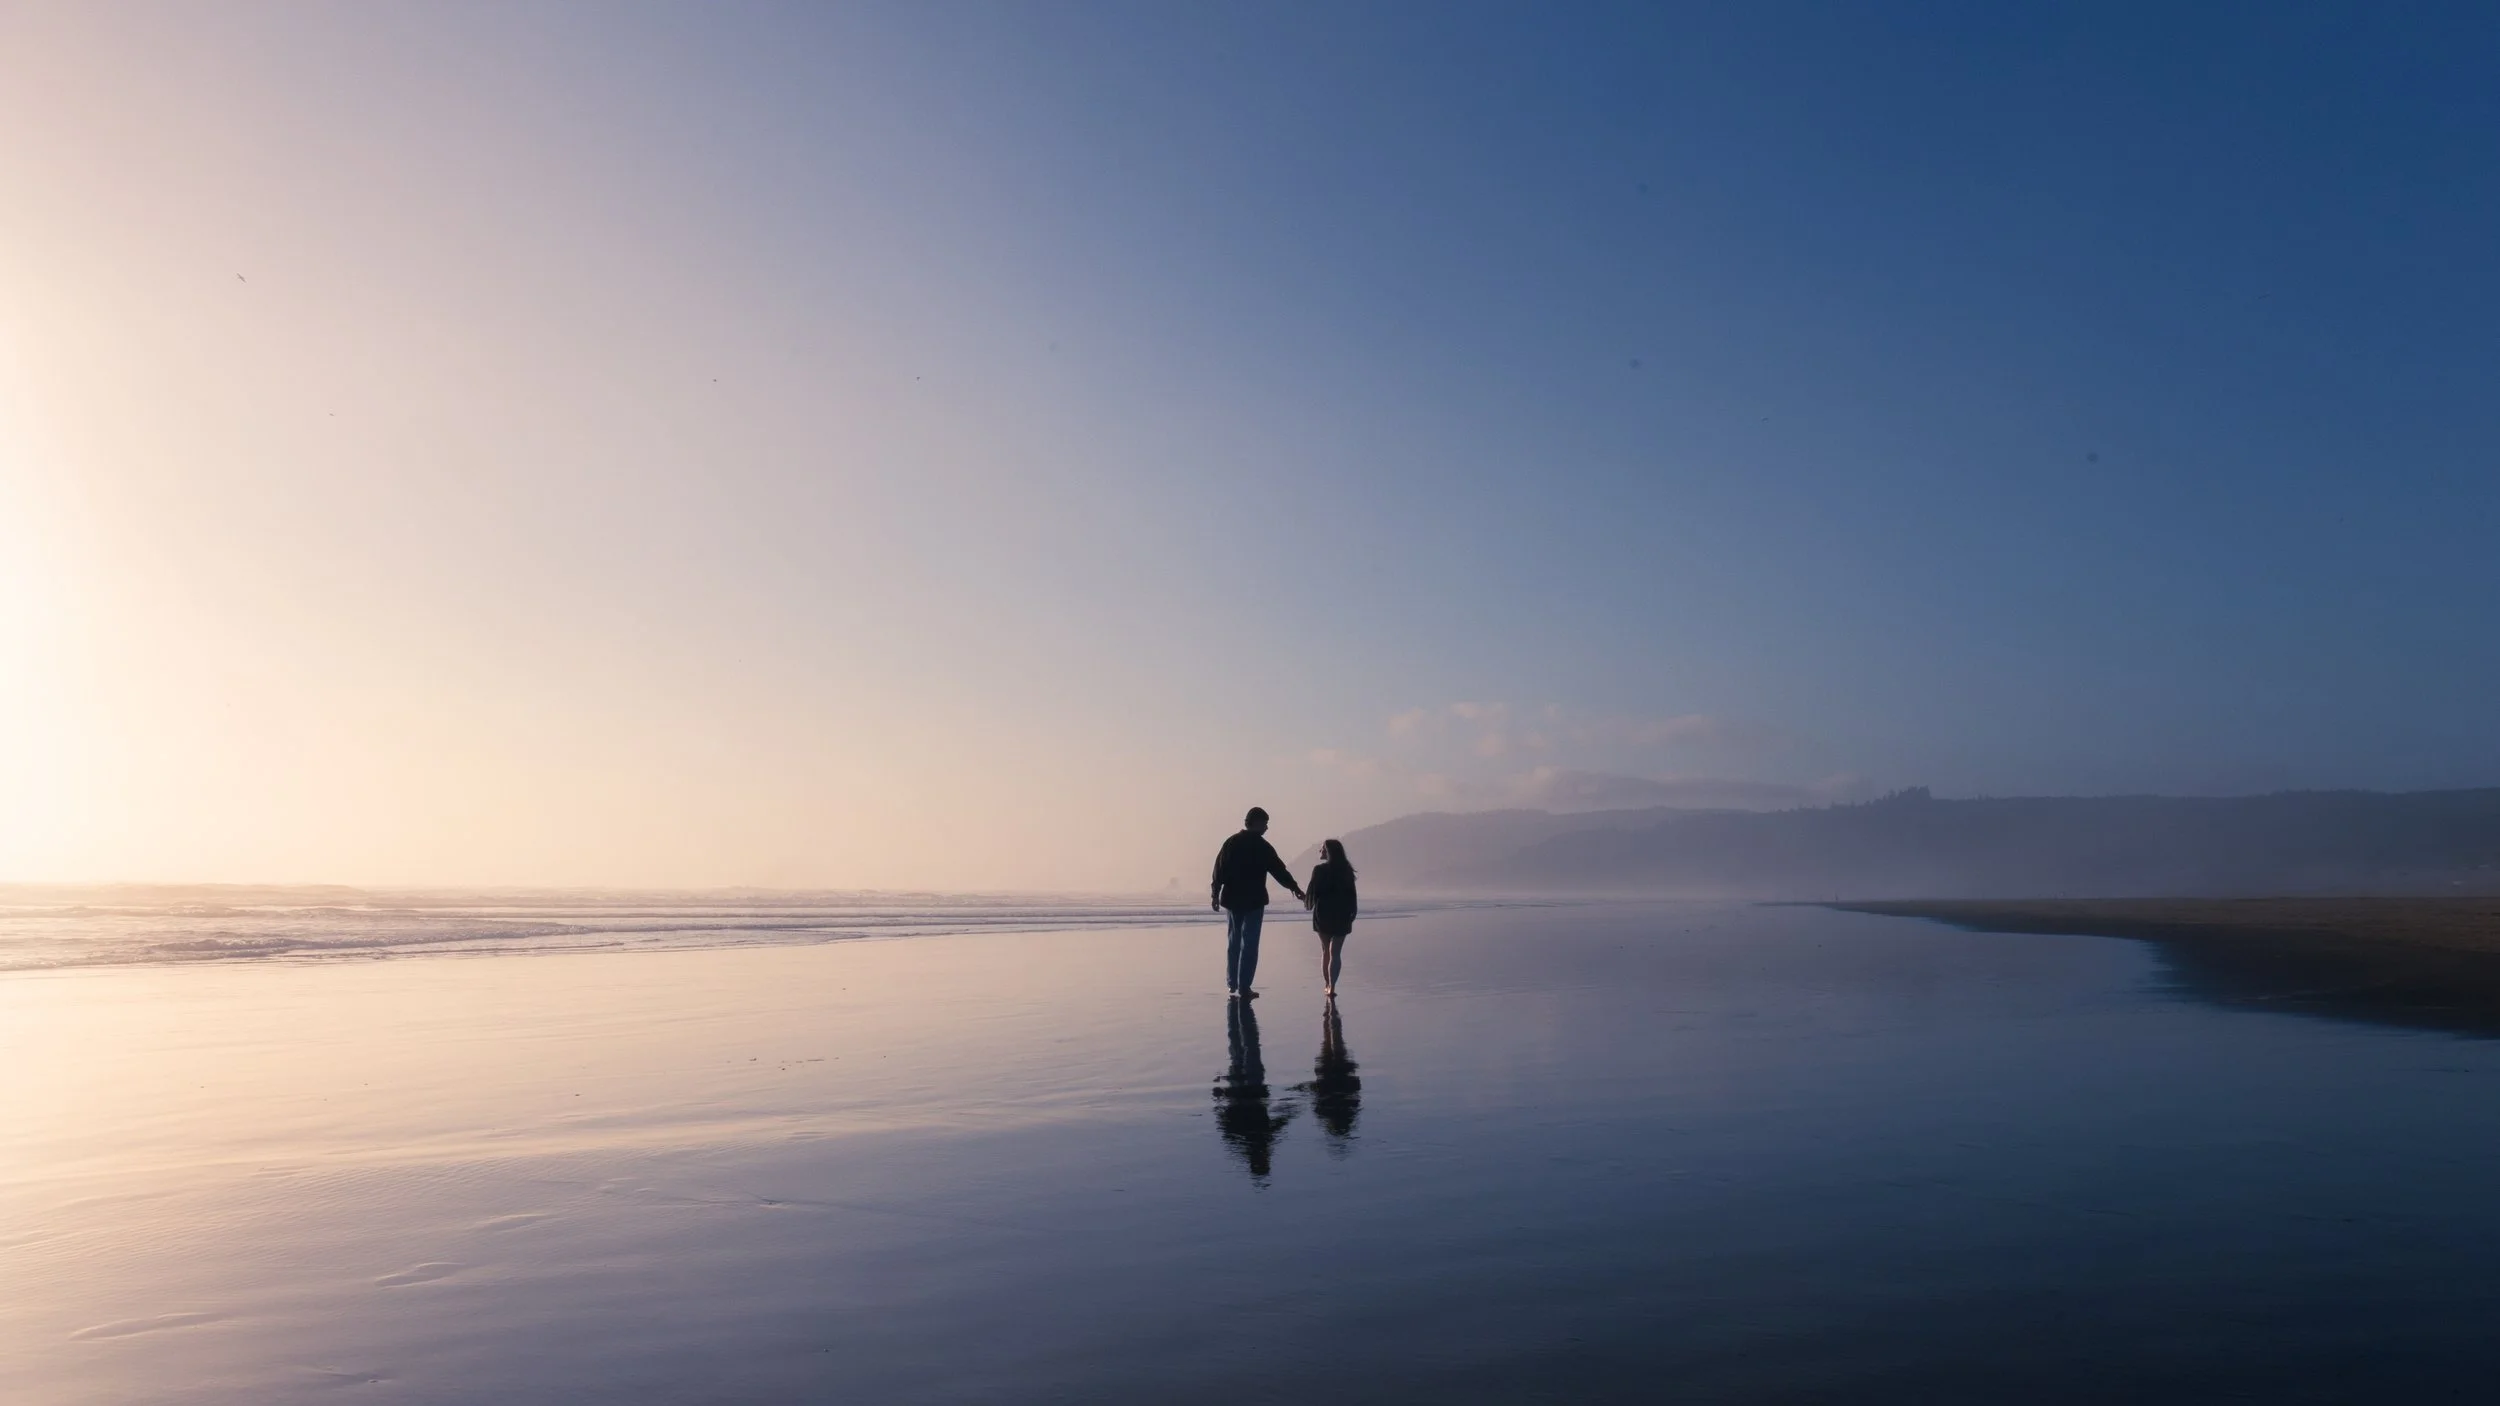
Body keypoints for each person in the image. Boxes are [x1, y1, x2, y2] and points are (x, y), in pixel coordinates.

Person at [1211, 806, 1306, 999]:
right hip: (1254, 901)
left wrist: (1215, 893)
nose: (1267, 828)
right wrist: (1294, 888)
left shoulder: (1231, 843)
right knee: (1250, 944)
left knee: (1234, 942)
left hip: (1232, 899)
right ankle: (1244, 986)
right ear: (1255, 823)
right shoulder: (1262, 846)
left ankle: (1232, 984)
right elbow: (1279, 870)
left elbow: (1218, 869)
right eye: (1265, 823)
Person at [1305, 838, 1358, 997]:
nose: (1320, 851)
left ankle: (1327, 985)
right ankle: (1333, 986)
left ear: (1328, 852)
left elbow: (1312, 894)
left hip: (1324, 913)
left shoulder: (1319, 870)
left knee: (1325, 951)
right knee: (1336, 953)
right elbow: (1352, 895)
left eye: (1322, 849)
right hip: (1342, 913)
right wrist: (1352, 912)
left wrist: (1304, 899)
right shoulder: (1346, 870)